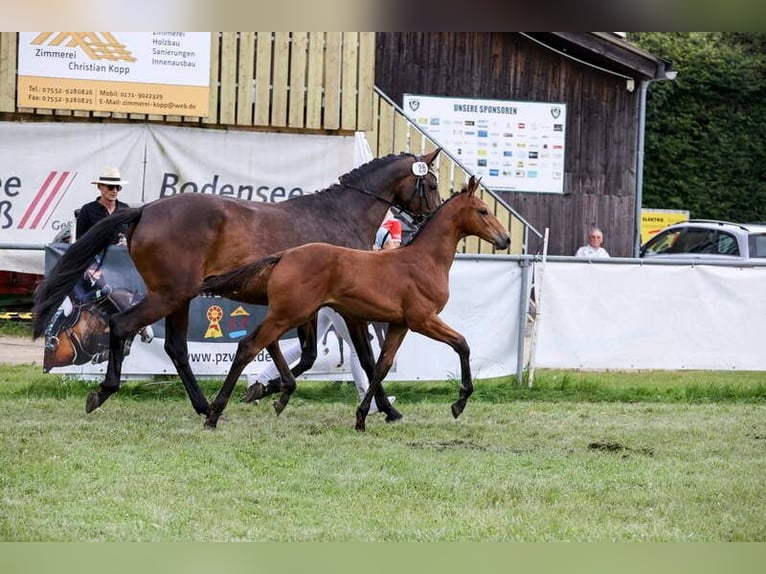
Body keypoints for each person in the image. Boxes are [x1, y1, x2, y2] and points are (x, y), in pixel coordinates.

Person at [245, 219, 404, 412]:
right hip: (341, 297)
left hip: (329, 295)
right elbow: (393, 258)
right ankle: (367, 399)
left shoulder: (353, 230)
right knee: (357, 347)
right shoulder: (379, 232)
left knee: (305, 346)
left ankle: (260, 380)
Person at [76, 167, 131, 243]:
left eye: (118, 187)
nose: (115, 191)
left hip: (120, 254)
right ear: (100, 187)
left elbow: (132, 237)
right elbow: (79, 241)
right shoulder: (87, 210)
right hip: (96, 254)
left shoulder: (125, 209)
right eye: (110, 187)